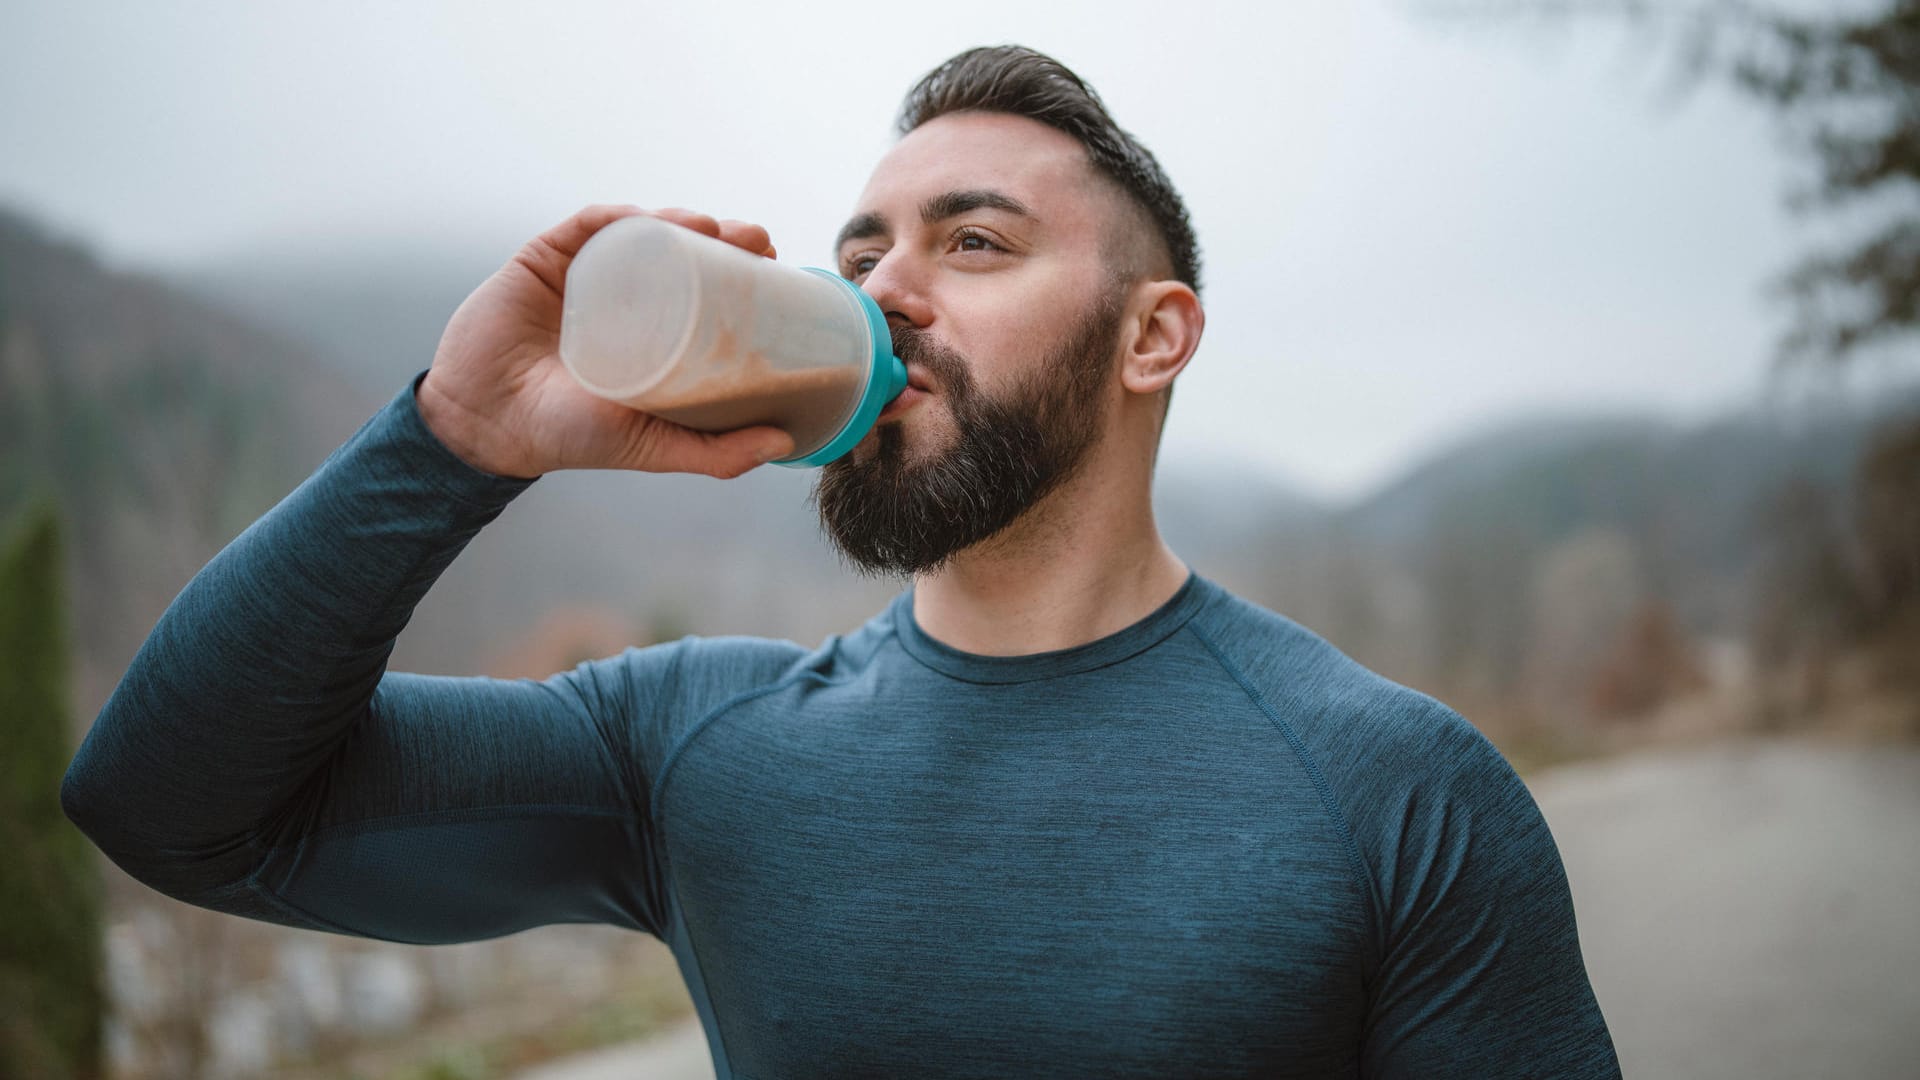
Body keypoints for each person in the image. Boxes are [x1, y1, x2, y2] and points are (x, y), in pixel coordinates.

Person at [62, 45, 1621, 1079]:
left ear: (1156, 337)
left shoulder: (1395, 790)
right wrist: (454, 435)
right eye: (862, 249)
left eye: (977, 242)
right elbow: (173, 806)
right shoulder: (688, 750)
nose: (883, 295)